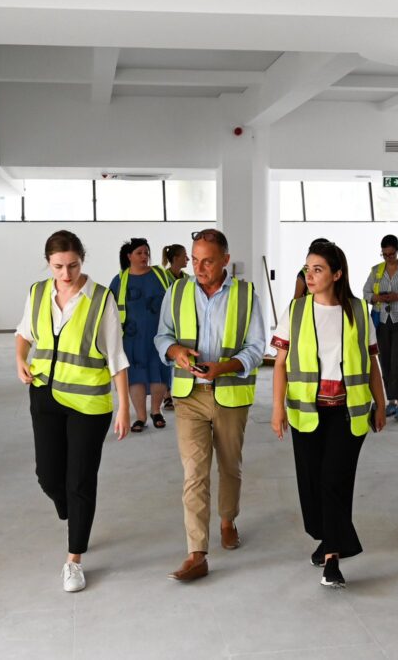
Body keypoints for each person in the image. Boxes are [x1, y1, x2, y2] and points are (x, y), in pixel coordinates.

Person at [15, 230, 130, 593]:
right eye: (58, 267)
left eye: (73, 265)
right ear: (48, 263)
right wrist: (20, 358)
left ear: (83, 260)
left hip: (88, 404)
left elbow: (116, 357)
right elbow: (24, 334)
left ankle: (74, 559)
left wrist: (124, 407)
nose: (66, 274)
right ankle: (73, 514)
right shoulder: (37, 293)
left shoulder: (101, 299)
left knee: (79, 481)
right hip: (44, 397)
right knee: (48, 477)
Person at [271, 239, 386, 588]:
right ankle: (327, 539)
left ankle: (333, 557)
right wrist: (277, 409)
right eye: (307, 268)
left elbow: (371, 363)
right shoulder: (296, 311)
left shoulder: (358, 310)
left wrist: (381, 404)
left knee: (334, 480)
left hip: (348, 412)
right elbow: (280, 365)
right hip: (306, 410)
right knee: (311, 484)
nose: (310, 275)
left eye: (317, 269)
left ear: (336, 274)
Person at [155, 228, 266, 582]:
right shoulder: (176, 291)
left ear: (225, 261)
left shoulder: (246, 295)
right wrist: (176, 351)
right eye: (195, 260)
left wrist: (225, 367)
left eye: (208, 261)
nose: (199, 268)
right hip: (189, 396)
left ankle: (228, 519)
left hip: (230, 395)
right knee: (195, 473)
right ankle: (197, 553)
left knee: (230, 466)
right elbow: (162, 336)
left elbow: (256, 347)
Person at [110, 238, 171, 432]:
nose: (144, 256)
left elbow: (177, 297)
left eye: (146, 253)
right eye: (139, 253)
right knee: (135, 376)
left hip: (160, 335)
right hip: (131, 337)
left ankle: (156, 411)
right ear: (129, 256)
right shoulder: (120, 280)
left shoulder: (161, 275)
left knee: (159, 372)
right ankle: (140, 417)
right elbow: (109, 309)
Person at [362, 234, 398, 422]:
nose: (388, 258)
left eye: (392, 254)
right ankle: (391, 402)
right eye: (385, 254)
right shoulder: (376, 271)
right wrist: (377, 298)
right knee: (385, 363)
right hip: (382, 323)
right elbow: (366, 293)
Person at [160, 243, 189, 411]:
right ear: (176, 258)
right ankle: (167, 395)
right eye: (185, 256)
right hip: (168, 323)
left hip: (183, 324)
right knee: (167, 358)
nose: (187, 259)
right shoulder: (163, 278)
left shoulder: (187, 279)